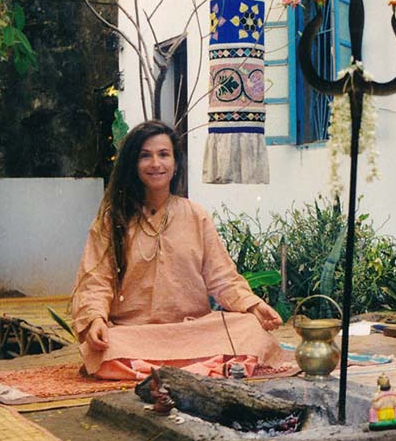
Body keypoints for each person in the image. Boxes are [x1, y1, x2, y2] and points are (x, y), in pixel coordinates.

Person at [71, 120, 284, 380]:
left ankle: (151, 370)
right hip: (133, 334)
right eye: (145, 156)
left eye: (164, 155)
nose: (156, 164)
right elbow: (96, 280)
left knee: (247, 328)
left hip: (192, 332)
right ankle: (203, 368)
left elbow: (222, 278)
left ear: (175, 163)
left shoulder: (195, 215)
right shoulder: (111, 220)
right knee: (105, 348)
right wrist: (95, 320)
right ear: (132, 164)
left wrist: (253, 306)